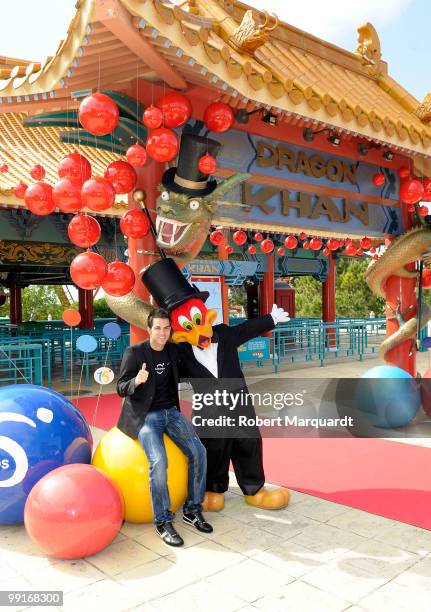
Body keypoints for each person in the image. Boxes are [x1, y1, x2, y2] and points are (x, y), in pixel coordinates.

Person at [116, 307, 212, 547]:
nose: (162, 332)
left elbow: (193, 361)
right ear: (148, 329)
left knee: (199, 451)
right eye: (157, 328)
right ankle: (162, 520)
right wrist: (136, 381)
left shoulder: (172, 350)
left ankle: (191, 509)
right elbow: (120, 387)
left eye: (166, 328)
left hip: (171, 412)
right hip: (145, 415)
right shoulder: (135, 352)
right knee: (159, 461)